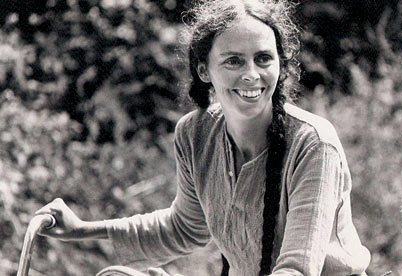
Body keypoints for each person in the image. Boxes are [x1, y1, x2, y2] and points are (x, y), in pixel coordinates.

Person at [36, 0, 371, 275]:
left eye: (264, 59)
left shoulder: (313, 143)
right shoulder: (195, 133)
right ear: (203, 71)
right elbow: (182, 227)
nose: (251, 75)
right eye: (233, 61)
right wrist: (82, 230)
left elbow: (297, 270)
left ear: (280, 66)